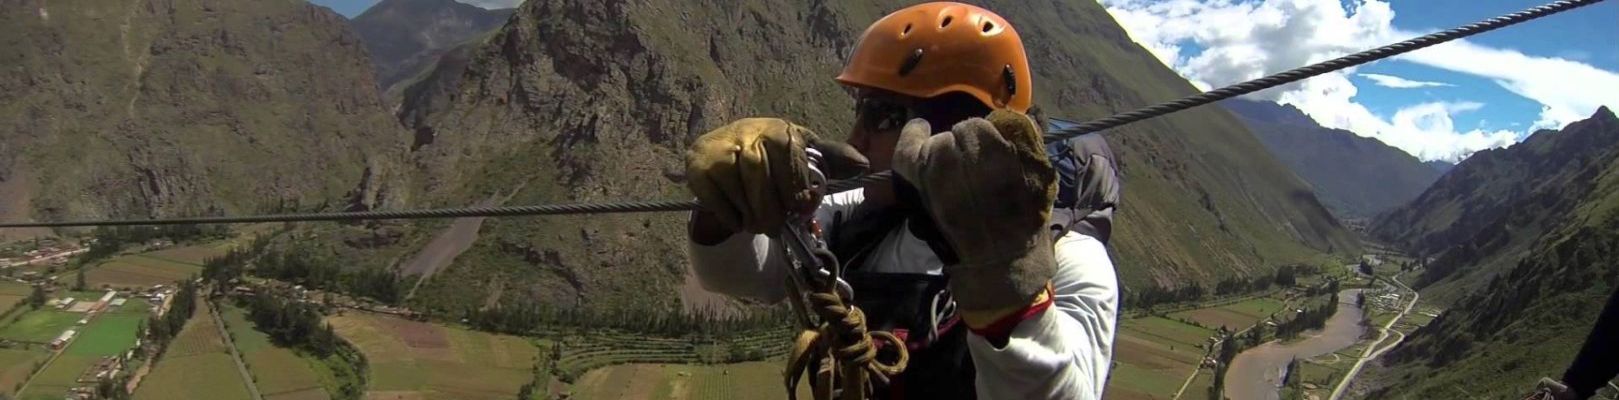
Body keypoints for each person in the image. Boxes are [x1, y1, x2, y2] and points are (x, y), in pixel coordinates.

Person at [684, 3, 1120, 399]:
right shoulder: (862, 215)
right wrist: (724, 205)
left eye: (882, 115)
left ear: (955, 126)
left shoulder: (1072, 260)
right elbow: (746, 276)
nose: (856, 138)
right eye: (861, 111)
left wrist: (1007, 288)